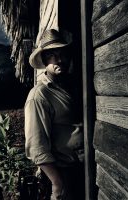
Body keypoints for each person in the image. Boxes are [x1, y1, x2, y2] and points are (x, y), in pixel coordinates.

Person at [24, 29, 84, 200]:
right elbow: (36, 146)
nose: (59, 60)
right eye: (52, 55)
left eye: (62, 54)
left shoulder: (72, 86)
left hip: (83, 168)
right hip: (63, 173)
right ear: (44, 60)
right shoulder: (39, 95)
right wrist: (57, 184)